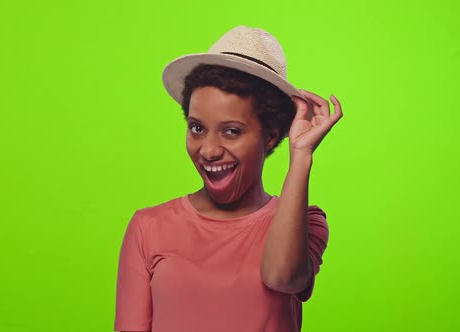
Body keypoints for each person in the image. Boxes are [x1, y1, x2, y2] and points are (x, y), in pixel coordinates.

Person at [114, 26, 343, 332]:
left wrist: (301, 155)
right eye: (197, 128)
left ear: (271, 137)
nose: (208, 151)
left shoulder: (307, 222)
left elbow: (282, 277)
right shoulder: (148, 228)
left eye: (231, 131)